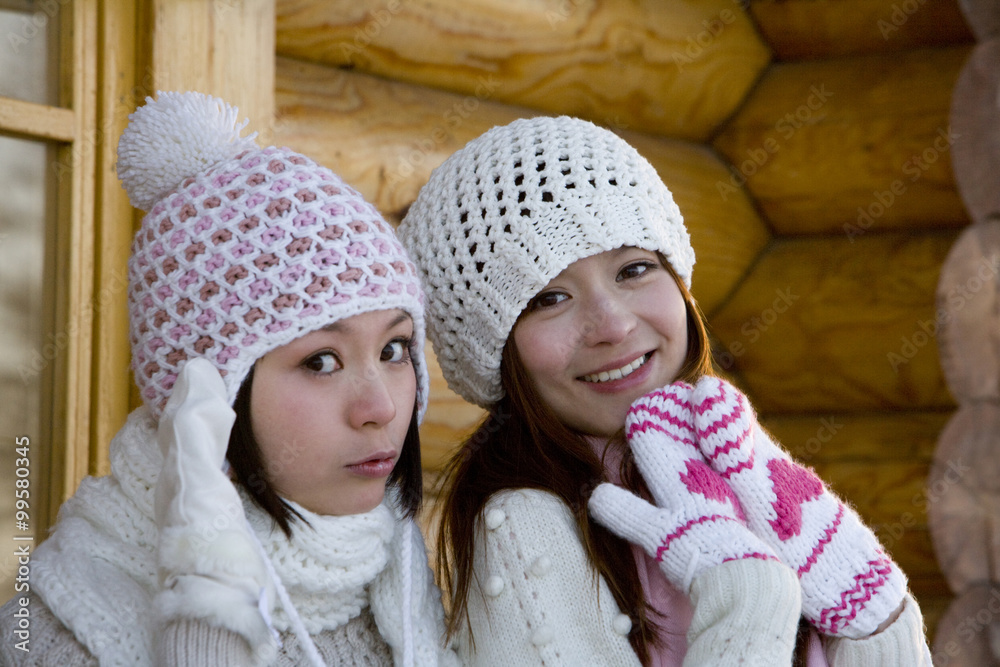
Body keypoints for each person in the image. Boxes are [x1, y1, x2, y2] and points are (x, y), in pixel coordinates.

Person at [397, 115, 933, 666]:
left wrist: (879, 621)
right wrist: (751, 595)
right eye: (549, 299)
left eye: (633, 269)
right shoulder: (523, 528)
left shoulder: (731, 453)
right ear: (496, 353)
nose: (612, 325)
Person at [0, 91, 459, 667]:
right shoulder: (59, 634)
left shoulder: (399, 578)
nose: (380, 408)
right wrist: (209, 596)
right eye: (321, 361)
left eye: (394, 349)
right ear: (206, 395)